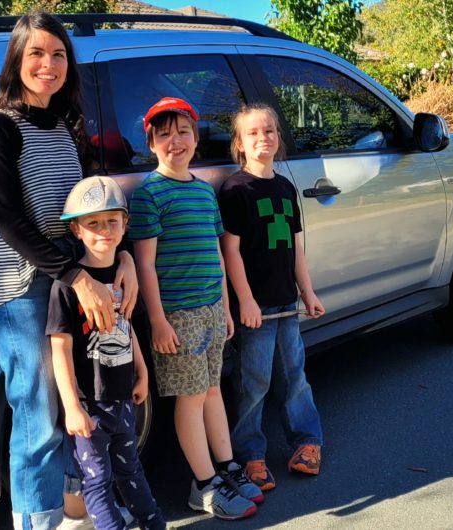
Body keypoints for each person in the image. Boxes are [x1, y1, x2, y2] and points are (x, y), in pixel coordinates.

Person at [0, 13, 138, 530]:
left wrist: (123, 256)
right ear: (16, 60)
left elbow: (91, 211)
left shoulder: (66, 128)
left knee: (82, 400)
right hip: (26, 290)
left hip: (74, 280)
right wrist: (79, 277)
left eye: (58, 54)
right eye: (37, 53)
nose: (48, 64)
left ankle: (74, 511)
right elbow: (10, 222)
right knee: (39, 419)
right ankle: (37, 522)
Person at [128, 97, 263, 520]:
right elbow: (145, 264)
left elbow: (219, 257)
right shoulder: (150, 195)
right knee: (189, 399)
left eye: (183, 131)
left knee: (211, 392)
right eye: (164, 134)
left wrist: (224, 307)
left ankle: (227, 468)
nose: (175, 141)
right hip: (178, 317)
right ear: (151, 143)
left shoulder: (205, 192)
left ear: (195, 139)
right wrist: (157, 321)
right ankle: (203, 485)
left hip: (208, 311)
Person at [47, 176, 166, 530]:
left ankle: (153, 524)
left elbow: (127, 328)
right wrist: (71, 406)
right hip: (89, 407)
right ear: (76, 230)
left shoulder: (125, 275)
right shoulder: (67, 286)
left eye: (112, 221)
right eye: (93, 223)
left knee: (131, 469)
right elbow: (60, 349)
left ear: (125, 224)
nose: (104, 230)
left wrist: (143, 373)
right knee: (97, 481)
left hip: (123, 399)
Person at [218, 103, 325, 493]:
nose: (263, 138)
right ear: (239, 144)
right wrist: (244, 300)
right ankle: (250, 453)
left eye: (270, 131)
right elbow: (230, 252)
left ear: (278, 139)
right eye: (253, 133)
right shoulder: (235, 190)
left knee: (295, 375)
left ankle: (307, 441)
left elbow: (297, 248)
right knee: (255, 380)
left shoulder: (285, 187)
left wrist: (307, 292)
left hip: (286, 303)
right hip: (257, 309)